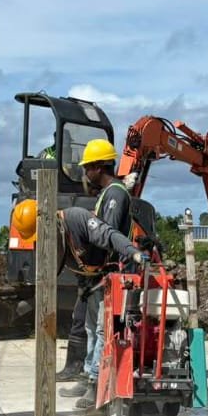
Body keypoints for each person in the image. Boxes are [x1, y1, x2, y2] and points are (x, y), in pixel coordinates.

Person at [59, 139, 135, 400]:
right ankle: (88, 376)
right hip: (100, 275)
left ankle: (96, 383)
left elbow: (106, 235)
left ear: (99, 166)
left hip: (110, 272)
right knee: (92, 327)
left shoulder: (115, 193)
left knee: (102, 329)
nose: (85, 173)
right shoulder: (108, 193)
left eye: (88, 168)